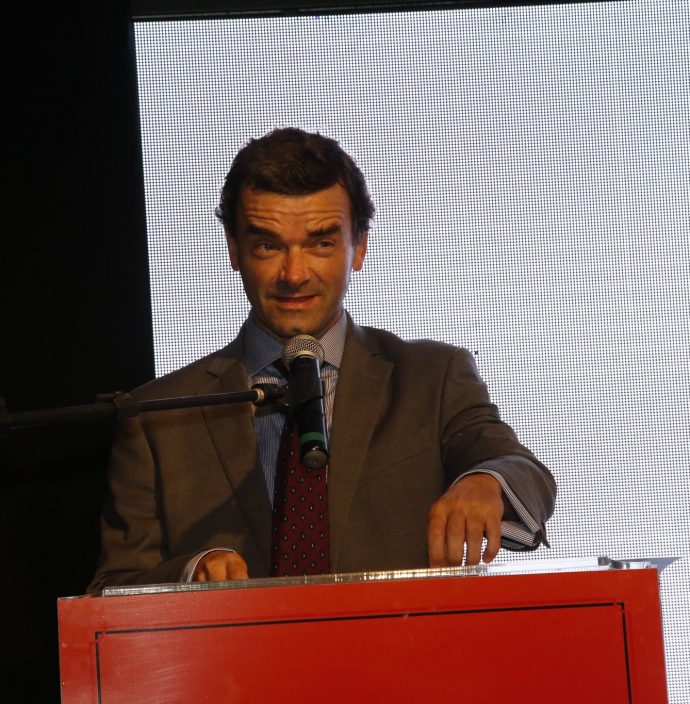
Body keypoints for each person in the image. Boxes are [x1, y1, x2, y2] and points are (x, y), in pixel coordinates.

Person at [88, 128, 556, 592]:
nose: (294, 274)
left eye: (321, 243)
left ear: (359, 246)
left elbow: (521, 469)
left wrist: (485, 481)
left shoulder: (430, 378)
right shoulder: (154, 417)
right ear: (233, 248)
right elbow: (111, 590)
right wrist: (189, 577)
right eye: (268, 245)